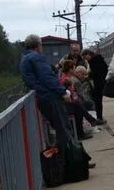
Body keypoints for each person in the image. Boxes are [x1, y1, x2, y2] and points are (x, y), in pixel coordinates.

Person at [20, 34, 95, 168]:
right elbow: (47, 77)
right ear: (38, 45)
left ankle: (69, 161)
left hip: (42, 98)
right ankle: (74, 162)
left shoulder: (25, 58)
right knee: (64, 130)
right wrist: (62, 91)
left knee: (62, 129)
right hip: (50, 98)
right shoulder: (35, 57)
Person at [59, 60, 105, 139]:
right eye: (74, 68)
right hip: (66, 104)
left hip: (69, 103)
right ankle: (90, 122)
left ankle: (84, 129)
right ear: (70, 69)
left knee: (79, 106)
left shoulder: (67, 78)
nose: (75, 70)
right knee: (79, 106)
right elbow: (67, 95)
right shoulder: (66, 80)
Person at [82, 48, 108, 120]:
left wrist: (88, 76)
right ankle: (99, 116)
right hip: (100, 82)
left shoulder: (94, 61)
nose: (86, 60)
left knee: (98, 101)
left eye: (85, 57)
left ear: (88, 54)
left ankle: (99, 117)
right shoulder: (97, 59)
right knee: (97, 100)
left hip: (99, 83)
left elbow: (97, 73)